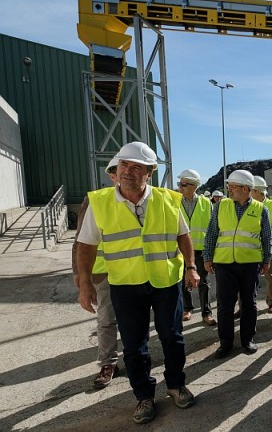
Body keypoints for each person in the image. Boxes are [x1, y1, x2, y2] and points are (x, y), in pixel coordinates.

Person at [76, 141, 199, 424]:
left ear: (149, 173)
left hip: (166, 281)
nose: (128, 171)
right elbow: (86, 246)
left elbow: (184, 236)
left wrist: (190, 267)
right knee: (134, 345)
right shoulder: (100, 202)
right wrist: (84, 283)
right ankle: (143, 396)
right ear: (116, 170)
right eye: (123, 165)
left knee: (172, 337)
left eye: (136, 167)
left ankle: (176, 385)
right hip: (125, 283)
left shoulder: (169, 200)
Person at [203, 169, 272, 359]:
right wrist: (207, 258)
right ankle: (225, 343)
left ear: (244, 188)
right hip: (224, 263)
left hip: (250, 264)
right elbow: (211, 233)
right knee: (225, 305)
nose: (229, 190)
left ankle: (247, 339)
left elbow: (267, 237)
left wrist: (266, 260)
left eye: (232, 186)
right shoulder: (220, 206)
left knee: (249, 303)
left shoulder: (261, 209)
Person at [72, 157, 120, 389]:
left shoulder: (141, 202)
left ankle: (135, 359)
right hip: (104, 274)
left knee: (135, 320)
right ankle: (109, 363)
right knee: (107, 320)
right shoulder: (94, 201)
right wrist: (82, 278)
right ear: (112, 176)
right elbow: (80, 241)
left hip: (134, 272)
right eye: (116, 172)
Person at [176, 169, 216, 326]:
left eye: (183, 184)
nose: (180, 186)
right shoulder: (175, 202)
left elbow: (213, 229)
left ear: (194, 186)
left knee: (204, 282)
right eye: (179, 183)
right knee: (183, 280)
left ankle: (206, 313)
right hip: (180, 249)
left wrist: (211, 251)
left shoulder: (206, 203)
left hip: (201, 249)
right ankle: (187, 308)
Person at [252, 175, 272, 313]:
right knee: (247, 280)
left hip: (267, 249)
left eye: (251, 190)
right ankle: (243, 306)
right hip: (249, 250)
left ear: (257, 191)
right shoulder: (247, 204)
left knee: (270, 277)